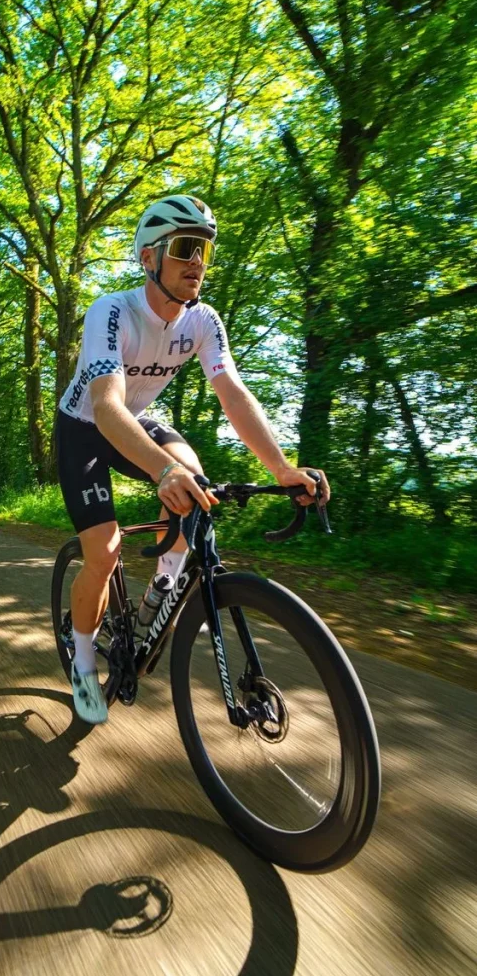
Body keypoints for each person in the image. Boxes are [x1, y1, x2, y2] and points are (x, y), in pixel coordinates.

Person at [56, 195, 330, 724]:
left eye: (204, 250)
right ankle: (84, 662)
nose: (197, 262)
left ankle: (160, 590)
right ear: (148, 257)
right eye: (185, 248)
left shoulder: (204, 320)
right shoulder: (111, 312)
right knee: (105, 553)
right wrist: (162, 469)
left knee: (197, 491)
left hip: (136, 424)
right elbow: (107, 405)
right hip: (87, 428)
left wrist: (282, 468)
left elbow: (233, 394)